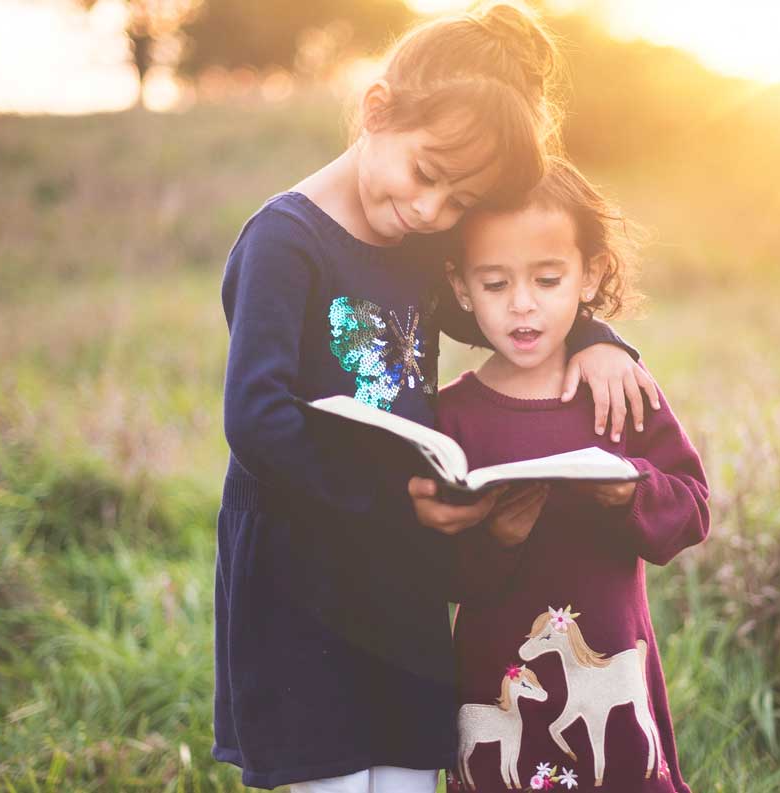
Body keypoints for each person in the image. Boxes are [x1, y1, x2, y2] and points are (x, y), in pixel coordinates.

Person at [213, 6, 658, 791]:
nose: (431, 212)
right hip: (301, 579)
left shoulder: (418, 250)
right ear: (377, 110)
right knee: (338, 777)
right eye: (426, 174)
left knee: (413, 773)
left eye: (459, 202)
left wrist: (595, 337)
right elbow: (256, 418)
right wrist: (396, 497)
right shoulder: (286, 242)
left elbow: (506, 317)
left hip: (403, 579)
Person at [438, 157, 710, 793]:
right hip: (497, 675)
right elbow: (436, 571)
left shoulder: (619, 391)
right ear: (460, 286)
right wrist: (497, 536)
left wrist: (631, 490)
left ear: (589, 275)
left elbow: (693, 510)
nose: (523, 304)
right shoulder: (452, 416)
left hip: (612, 664)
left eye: (548, 278)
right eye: (495, 283)